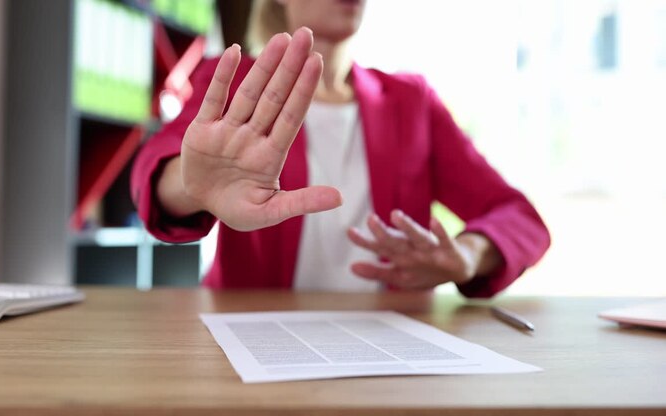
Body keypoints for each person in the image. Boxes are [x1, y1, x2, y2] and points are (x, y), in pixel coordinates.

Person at [131, 0, 550, 297]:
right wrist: (193, 186)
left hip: (387, 346)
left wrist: (469, 254)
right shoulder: (235, 81)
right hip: (250, 344)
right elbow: (154, 171)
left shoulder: (411, 100)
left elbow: (520, 218)